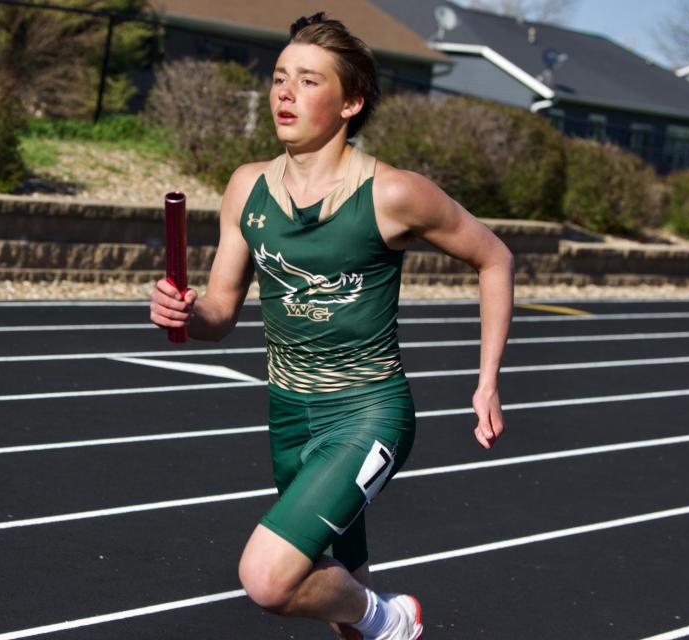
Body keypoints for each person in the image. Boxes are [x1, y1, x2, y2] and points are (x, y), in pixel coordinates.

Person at [150, 12, 514, 640]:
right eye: (279, 77)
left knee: (270, 578)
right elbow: (219, 313)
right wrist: (185, 313)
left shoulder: (394, 194)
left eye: (308, 81)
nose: (284, 93)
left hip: (369, 414)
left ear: (351, 102)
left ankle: (394, 616)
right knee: (338, 596)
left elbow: (495, 257)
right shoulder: (246, 188)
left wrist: (486, 382)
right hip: (290, 413)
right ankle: (377, 620)